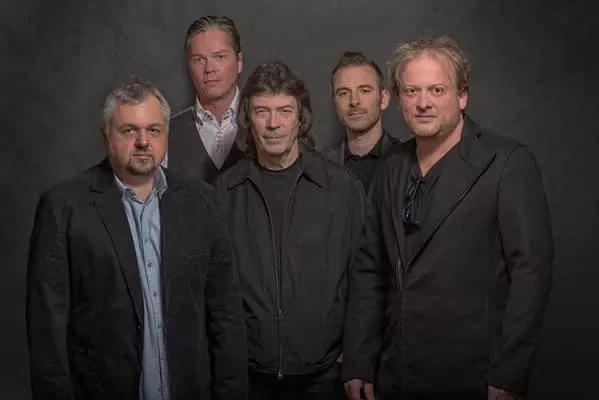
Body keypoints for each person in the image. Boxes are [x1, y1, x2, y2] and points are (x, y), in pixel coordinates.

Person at [356, 36, 554, 400]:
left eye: (436, 90)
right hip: (395, 374)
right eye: (412, 91)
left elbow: (531, 275)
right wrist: (359, 361)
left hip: (473, 377)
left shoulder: (508, 163)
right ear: (398, 99)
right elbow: (370, 269)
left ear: (462, 96)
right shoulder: (390, 168)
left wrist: (509, 374)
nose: (423, 103)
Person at [26, 78, 248, 400]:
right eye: (129, 130)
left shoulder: (202, 202)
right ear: (106, 136)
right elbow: (47, 329)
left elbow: (226, 315)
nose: (143, 141)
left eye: (154, 130)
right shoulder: (63, 209)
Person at [214, 61, 381, 400]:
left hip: (324, 377)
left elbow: (365, 280)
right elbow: (212, 291)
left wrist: (359, 361)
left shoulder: (341, 189)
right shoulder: (223, 193)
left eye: (284, 111)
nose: (273, 123)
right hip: (248, 376)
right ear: (248, 118)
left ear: (300, 118)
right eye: (262, 111)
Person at [166, 16, 244, 184]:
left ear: (239, 62)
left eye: (220, 57)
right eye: (199, 60)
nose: (209, 69)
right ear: (189, 66)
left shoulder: (264, 123)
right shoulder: (167, 134)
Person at [326, 50, 400, 192]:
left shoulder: (406, 163)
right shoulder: (321, 167)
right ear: (335, 103)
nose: (354, 101)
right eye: (343, 93)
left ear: (384, 99)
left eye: (364, 91)